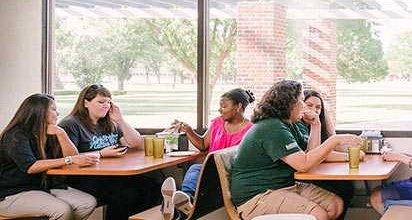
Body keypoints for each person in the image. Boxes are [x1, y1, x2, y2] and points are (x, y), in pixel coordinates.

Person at [230, 80, 361, 220]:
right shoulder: (271, 127)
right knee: (319, 215)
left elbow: (311, 155)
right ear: (289, 104)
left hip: (284, 186)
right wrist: (335, 140)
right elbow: (303, 165)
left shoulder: (288, 124)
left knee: (335, 205)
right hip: (257, 197)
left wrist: (316, 125)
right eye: (301, 101)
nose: (304, 105)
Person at [59, 83, 159, 220]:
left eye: (108, 102)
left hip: (111, 174)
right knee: (126, 194)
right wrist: (100, 154)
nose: (106, 106)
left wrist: (120, 120)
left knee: (153, 188)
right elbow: (69, 158)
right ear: (85, 103)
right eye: (101, 102)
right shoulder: (71, 124)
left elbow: (135, 143)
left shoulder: (109, 123)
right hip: (83, 177)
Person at [0, 93, 99, 220]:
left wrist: (61, 133)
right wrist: (68, 160)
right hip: (12, 193)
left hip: (40, 187)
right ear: (39, 112)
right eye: (54, 109)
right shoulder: (15, 135)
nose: (57, 114)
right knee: (62, 210)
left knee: (87, 203)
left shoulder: (50, 133)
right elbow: (30, 166)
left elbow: (74, 159)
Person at [162, 88, 256, 220]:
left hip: (232, 176)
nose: (219, 110)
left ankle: (174, 207)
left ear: (238, 106)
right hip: (210, 172)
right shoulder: (217, 123)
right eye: (219, 106)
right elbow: (202, 145)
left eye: (224, 106)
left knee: (196, 170)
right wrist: (188, 130)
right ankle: (184, 202)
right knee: (195, 170)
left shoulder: (251, 130)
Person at [299, 89, 355, 220]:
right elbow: (315, 155)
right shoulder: (297, 126)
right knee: (341, 189)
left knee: (346, 187)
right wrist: (349, 157)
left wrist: (321, 120)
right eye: (309, 105)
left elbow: (326, 149)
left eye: (318, 107)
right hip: (299, 175)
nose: (314, 110)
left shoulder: (316, 124)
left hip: (312, 171)